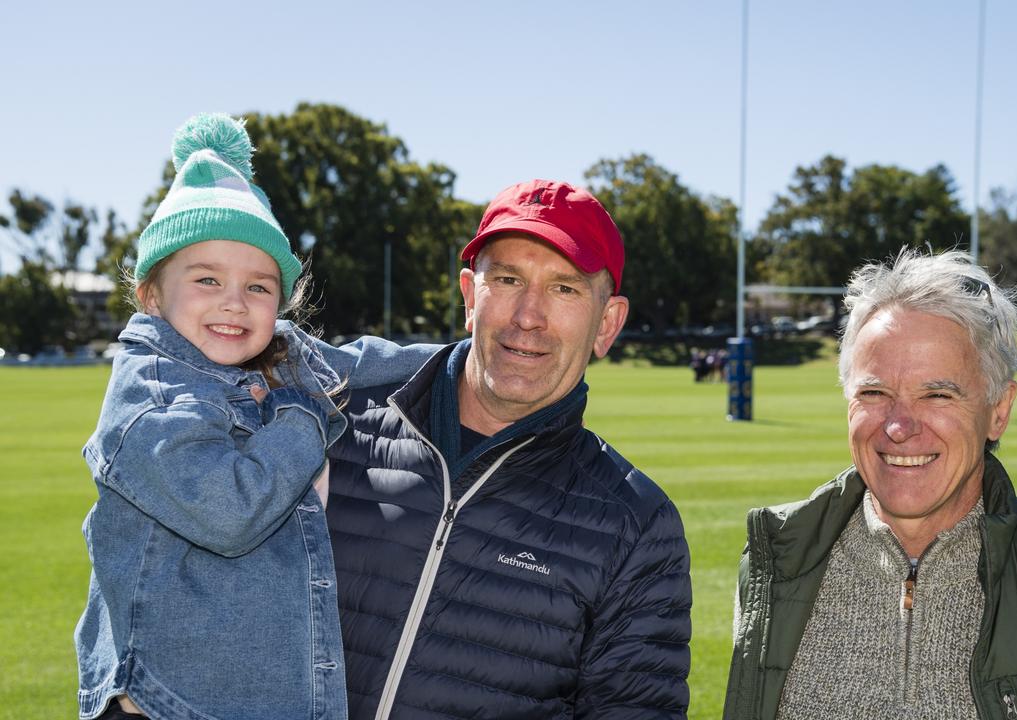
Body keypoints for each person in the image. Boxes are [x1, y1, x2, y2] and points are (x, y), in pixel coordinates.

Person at [75, 114, 431, 720]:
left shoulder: (280, 354)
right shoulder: (151, 399)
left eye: (259, 287)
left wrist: (470, 356)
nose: (234, 303)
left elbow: (365, 361)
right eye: (207, 279)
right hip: (164, 705)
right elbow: (231, 510)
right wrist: (306, 415)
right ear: (151, 295)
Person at [722, 249, 1017, 719]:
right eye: (874, 393)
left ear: (998, 411)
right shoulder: (777, 568)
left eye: (937, 394)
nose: (899, 427)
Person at [325, 179, 692, 719]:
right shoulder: (332, 426)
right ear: (472, 296)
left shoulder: (637, 526)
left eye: (564, 288)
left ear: (607, 324)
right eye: (508, 278)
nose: (529, 316)